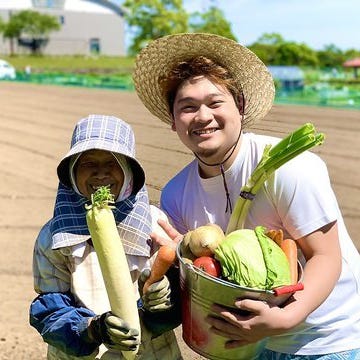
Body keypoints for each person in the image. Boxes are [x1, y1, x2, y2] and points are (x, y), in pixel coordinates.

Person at [132, 33, 360, 359]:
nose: (202, 116)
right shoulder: (176, 194)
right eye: (188, 107)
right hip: (248, 346)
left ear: (240, 107)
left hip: (327, 340)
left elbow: (326, 256)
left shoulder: (288, 166)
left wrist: (285, 318)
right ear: (173, 121)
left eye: (215, 102)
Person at [29, 114, 182, 359]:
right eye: (88, 163)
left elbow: (178, 298)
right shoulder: (54, 236)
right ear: (71, 172)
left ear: (129, 171)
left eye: (112, 163)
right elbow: (50, 311)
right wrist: (92, 330)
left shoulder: (154, 225)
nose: (101, 173)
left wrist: (159, 307)